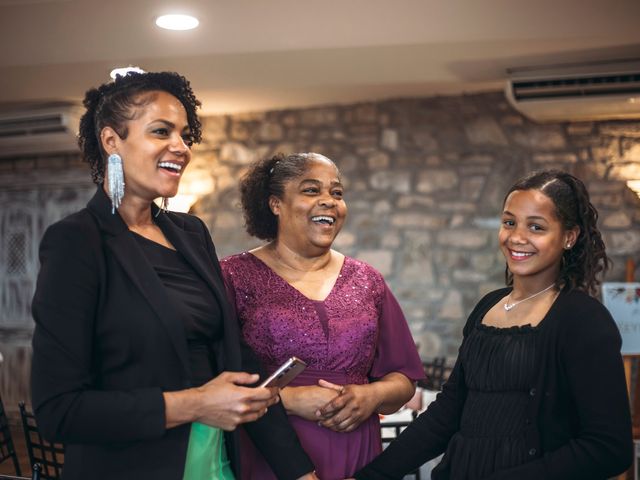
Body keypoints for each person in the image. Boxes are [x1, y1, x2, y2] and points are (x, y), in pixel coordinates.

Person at [30, 71, 318, 480]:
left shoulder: (190, 233)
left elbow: (234, 356)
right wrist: (196, 404)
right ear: (112, 141)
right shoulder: (76, 242)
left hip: (214, 461)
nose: (180, 147)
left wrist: (299, 472)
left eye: (185, 135)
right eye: (161, 131)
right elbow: (58, 410)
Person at [352, 170, 634, 480]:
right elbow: (448, 414)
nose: (516, 237)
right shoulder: (488, 306)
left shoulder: (583, 320)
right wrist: (372, 476)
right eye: (509, 222)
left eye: (536, 227)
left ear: (569, 236)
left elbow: (609, 447)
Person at [220, 152, 425, 480]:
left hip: (357, 456)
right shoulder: (232, 276)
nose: (329, 201)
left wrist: (372, 396)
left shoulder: (367, 280)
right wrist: (287, 399)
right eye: (312, 190)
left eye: (337, 193)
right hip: (271, 455)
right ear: (276, 204)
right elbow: (212, 381)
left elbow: (404, 379)